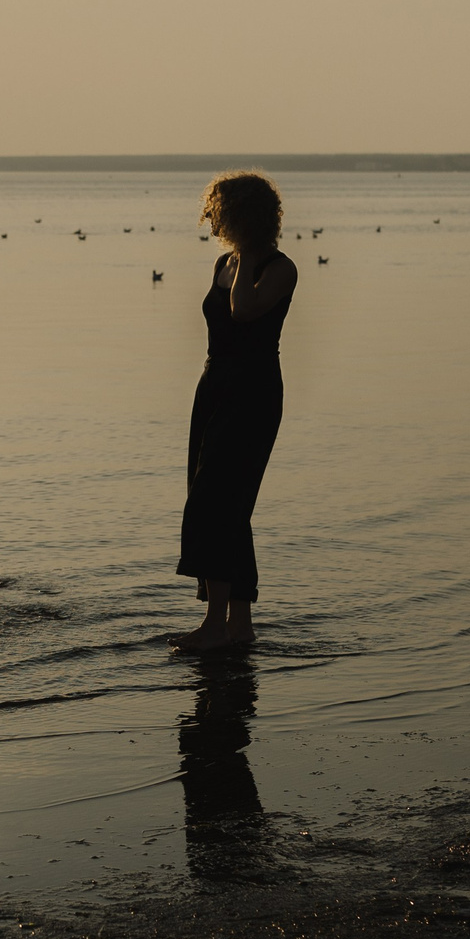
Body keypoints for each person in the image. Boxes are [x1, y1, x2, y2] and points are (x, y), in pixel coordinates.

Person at [173, 172, 298, 653]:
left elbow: (245, 311)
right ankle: (239, 625)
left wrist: (247, 253)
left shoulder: (278, 266)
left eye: (223, 209)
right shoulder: (223, 262)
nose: (215, 217)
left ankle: (214, 625)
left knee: (216, 502)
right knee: (226, 503)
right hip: (214, 384)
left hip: (254, 388)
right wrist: (237, 257)